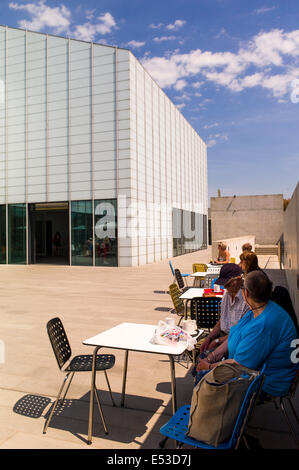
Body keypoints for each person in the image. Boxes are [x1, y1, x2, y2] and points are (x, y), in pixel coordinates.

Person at [196, 270, 298, 397]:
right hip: (252, 369)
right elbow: (235, 335)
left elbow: (239, 365)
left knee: (203, 376)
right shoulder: (257, 310)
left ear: (246, 293)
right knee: (202, 359)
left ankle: (210, 414)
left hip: (268, 382)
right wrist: (212, 357)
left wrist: (210, 366)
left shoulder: (264, 324)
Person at [199, 264, 250, 363]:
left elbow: (240, 333)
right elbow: (222, 320)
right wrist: (210, 337)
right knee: (201, 356)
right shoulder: (226, 295)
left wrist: (217, 341)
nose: (225, 287)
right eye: (224, 284)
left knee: (206, 361)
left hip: (235, 341)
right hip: (223, 336)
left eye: (228, 283)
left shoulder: (247, 301)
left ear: (239, 279)